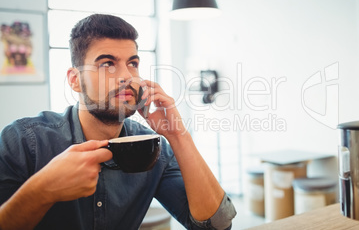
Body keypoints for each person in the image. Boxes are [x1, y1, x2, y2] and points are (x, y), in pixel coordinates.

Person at [0, 14, 236, 229]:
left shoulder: (155, 151)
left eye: (132, 63)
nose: (126, 76)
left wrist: (177, 135)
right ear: (74, 80)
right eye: (107, 64)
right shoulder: (23, 141)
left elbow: (215, 226)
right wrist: (42, 191)